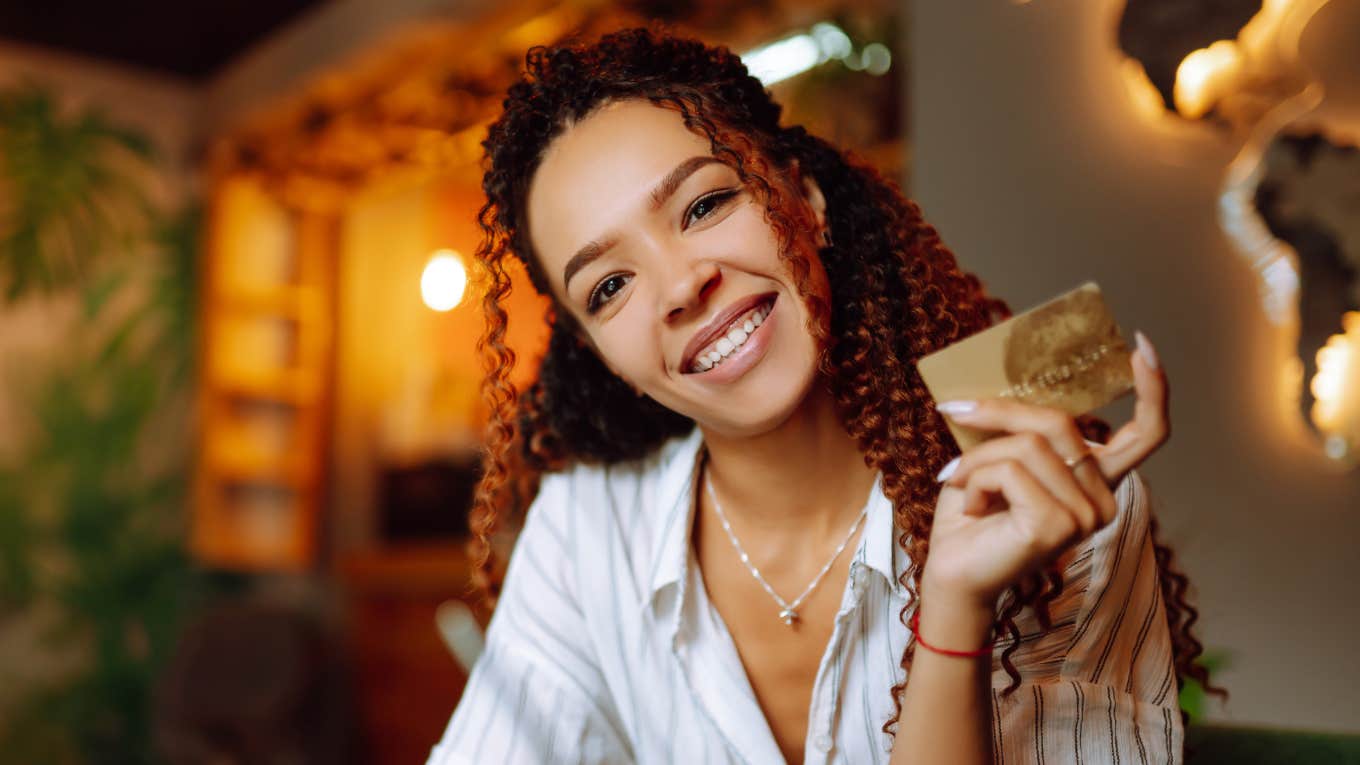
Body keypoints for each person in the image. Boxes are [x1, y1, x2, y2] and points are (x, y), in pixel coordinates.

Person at [427, 26, 1223, 765]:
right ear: (599, 355)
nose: (679, 285)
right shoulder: (586, 531)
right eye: (608, 286)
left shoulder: (1049, 508)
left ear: (804, 201)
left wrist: (953, 611)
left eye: (704, 205)